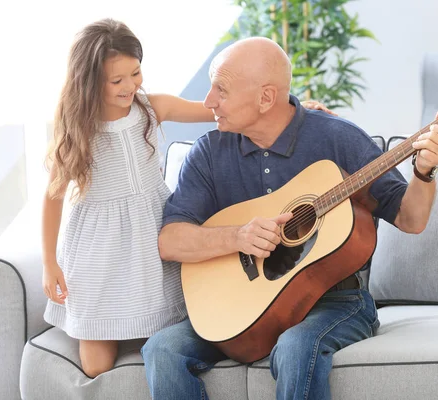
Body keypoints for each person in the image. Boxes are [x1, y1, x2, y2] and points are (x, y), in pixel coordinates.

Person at [141, 37, 438, 400]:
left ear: (266, 98)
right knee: (162, 349)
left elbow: (411, 219)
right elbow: (170, 240)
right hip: (244, 306)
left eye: (221, 90)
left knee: (294, 348)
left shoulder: (337, 138)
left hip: (334, 300)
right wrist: (237, 237)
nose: (208, 101)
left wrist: (425, 171)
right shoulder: (209, 152)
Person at [41, 19, 334, 379]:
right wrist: (49, 263)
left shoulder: (152, 108)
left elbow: (223, 110)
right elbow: (53, 197)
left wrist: (294, 107)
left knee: (160, 342)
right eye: (117, 81)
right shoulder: (77, 129)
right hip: (98, 249)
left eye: (135, 73)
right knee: (96, 365)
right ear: (88, 82)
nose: (131, 86)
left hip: (149, 236)